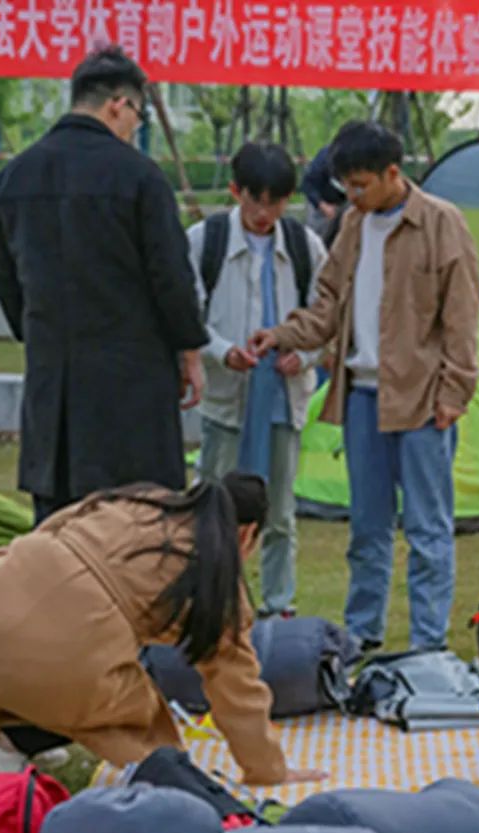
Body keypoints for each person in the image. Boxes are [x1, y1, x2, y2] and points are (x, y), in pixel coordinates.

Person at [0, 475, 323, 786]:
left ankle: (12, 741)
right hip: (62, 649)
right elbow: (238, 691)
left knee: (61, 668)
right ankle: (8, 749)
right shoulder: (220, 581)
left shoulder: (136, 500)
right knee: (127, 718)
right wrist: (269, 769)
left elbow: (52, 528)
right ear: (247, 534)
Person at [250, 121, 479, 654]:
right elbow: (328, 306)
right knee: (367, 528)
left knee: (427, 530)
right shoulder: (354, 225)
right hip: (361, 396)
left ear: (391, 174)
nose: (351, 197)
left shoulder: (443, 224)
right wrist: (282, 334)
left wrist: (455, 393)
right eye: (346, 187)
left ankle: (427, 642)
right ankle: (362, 633)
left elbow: (463, 319)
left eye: (360, 185)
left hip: (423, 400)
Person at [0, 47, 207, 525]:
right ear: (117, 105)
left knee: (58, 542)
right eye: (138, 115)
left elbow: (6, 282)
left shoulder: (14, 178)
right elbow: (171, 277)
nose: (136, 126)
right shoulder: (140, 178)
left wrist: (43, 336)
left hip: (55, 401)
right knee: (134, 535)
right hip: (131, 396)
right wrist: (190, 350)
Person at [187, 142, 326, 619]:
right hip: (227, 396)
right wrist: (224, 351)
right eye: (256, 201)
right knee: (212, 504)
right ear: (235, 192)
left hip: (282, 399)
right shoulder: (206, 241)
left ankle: (278, 604)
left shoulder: (306, 246)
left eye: (277, 202)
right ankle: (211, 598)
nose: (265, 213)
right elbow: (188, 315)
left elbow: (327, 319)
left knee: (281, 509)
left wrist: (304, 355)